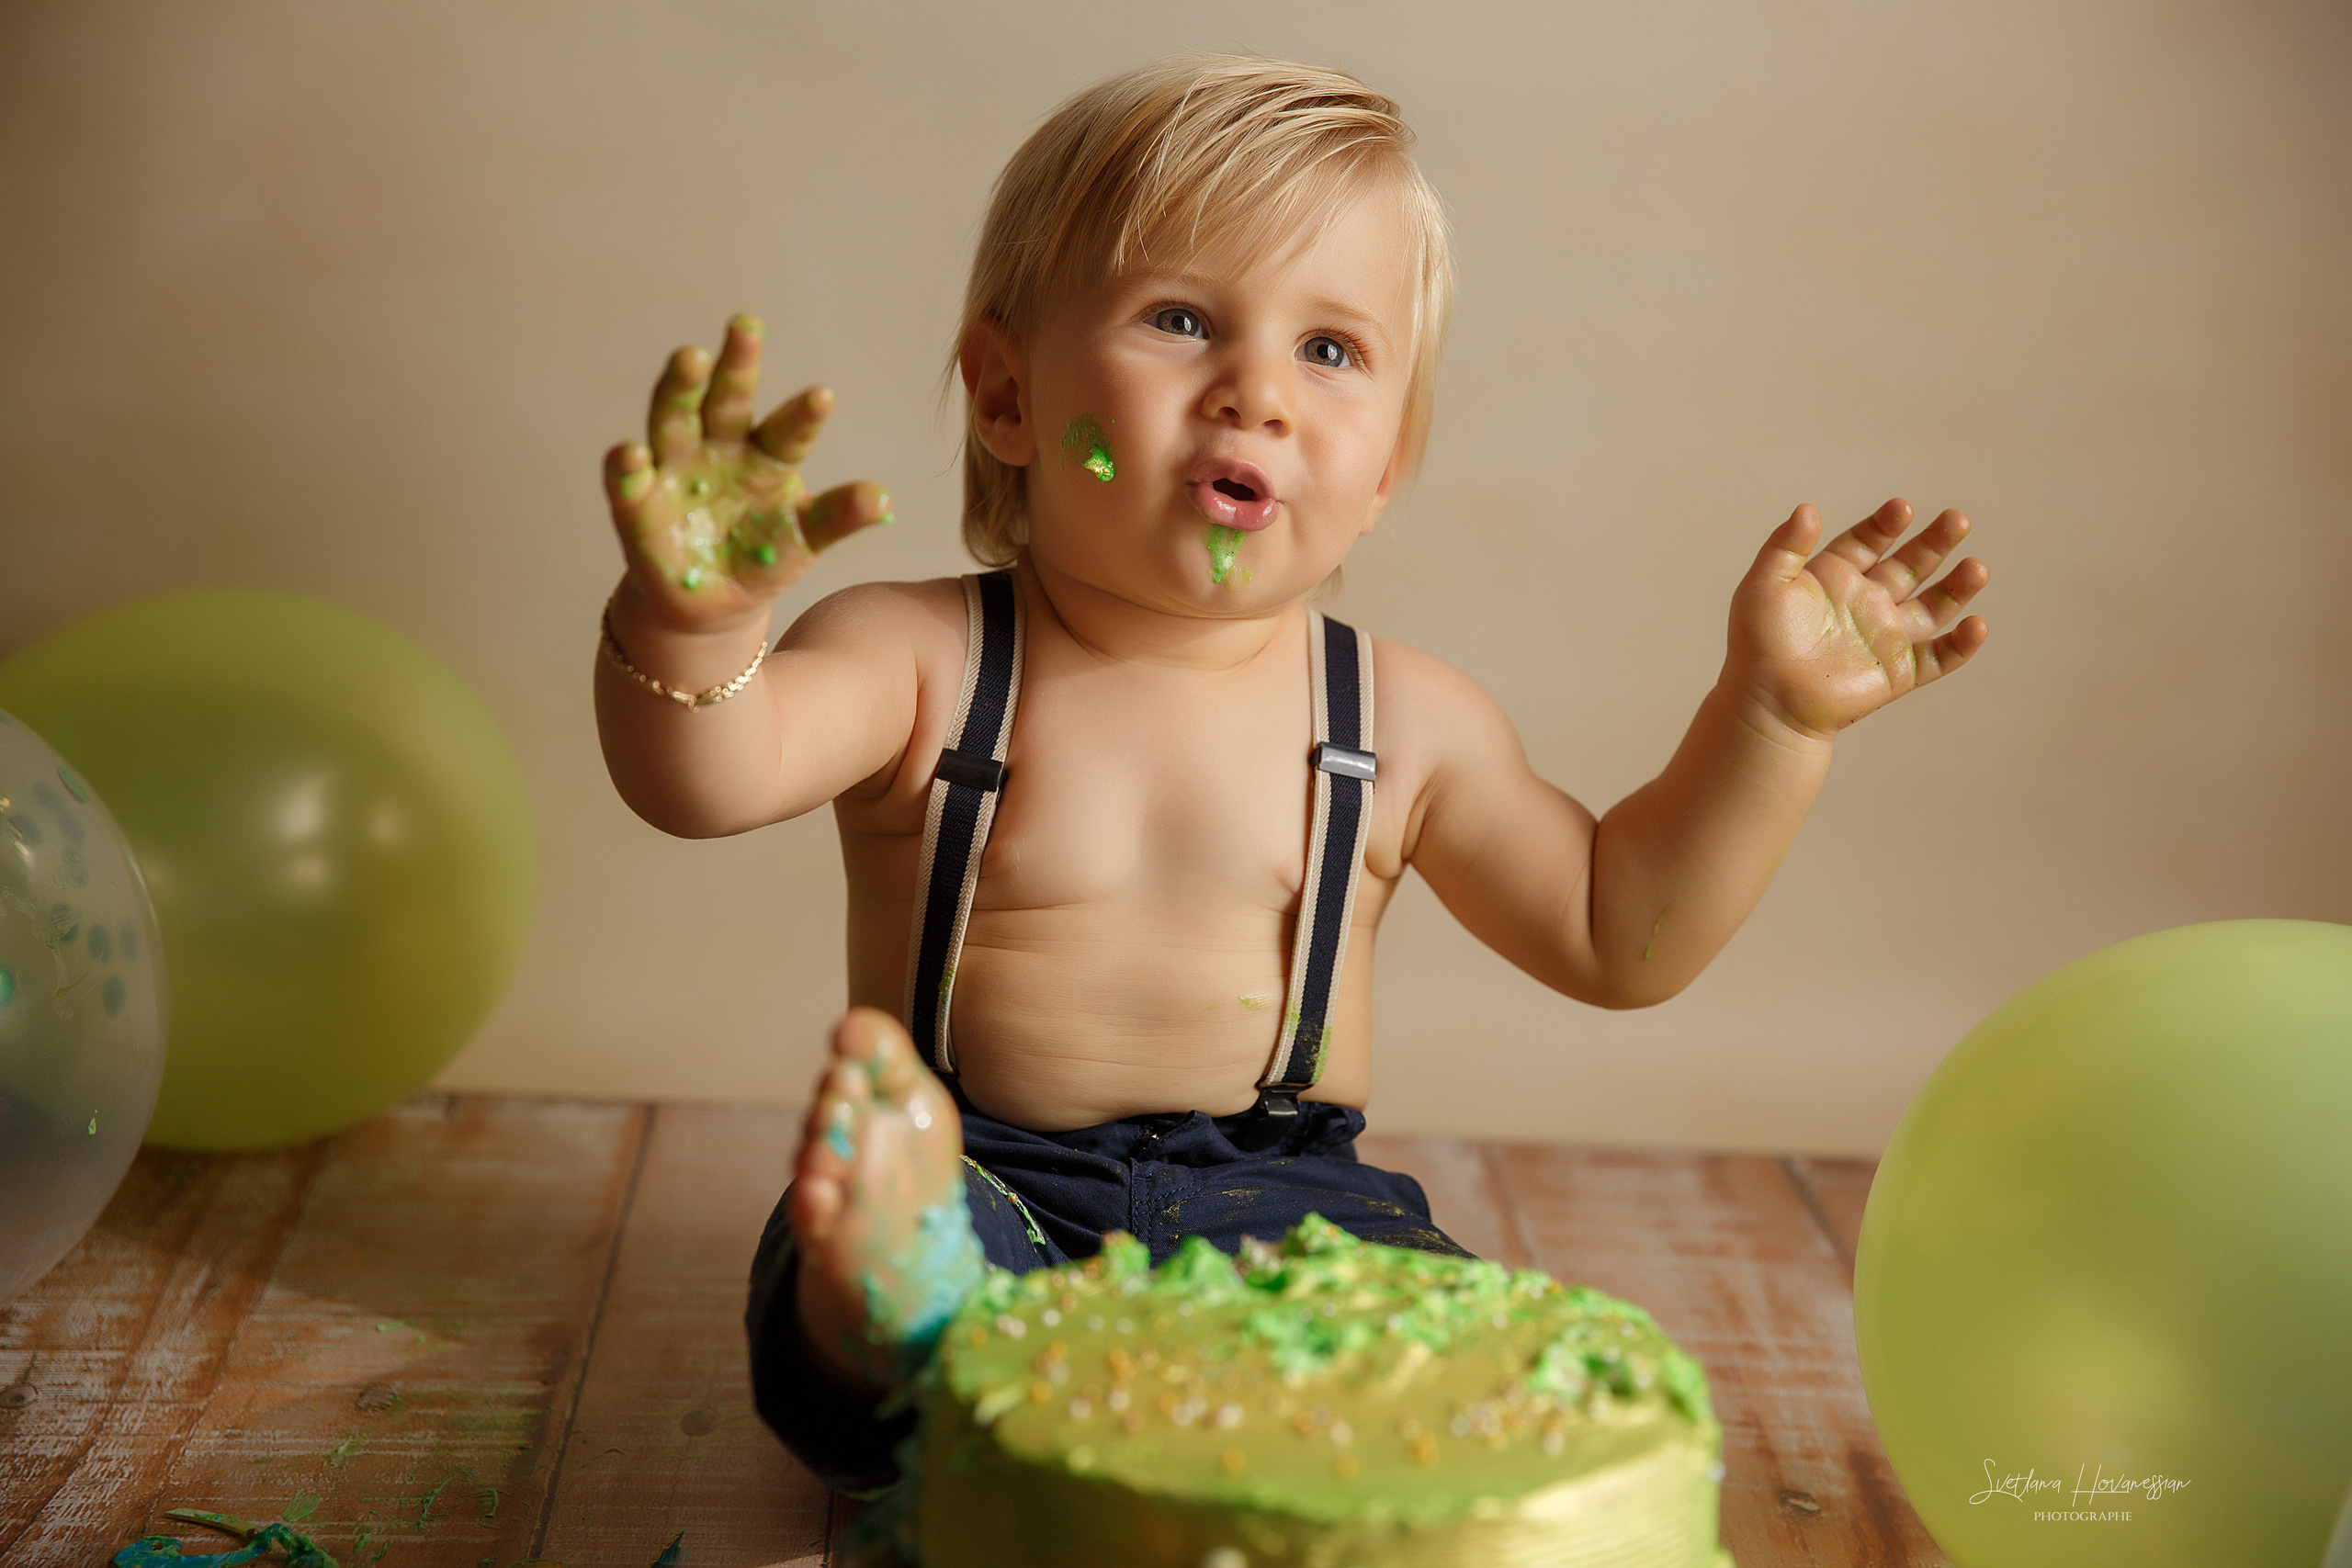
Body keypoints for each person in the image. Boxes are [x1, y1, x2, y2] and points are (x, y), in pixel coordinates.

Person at [590, 55, 1988, 1494]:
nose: (1255, 391)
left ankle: (1247, 1396)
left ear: (1384, 470)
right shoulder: (918, 658)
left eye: (1330, 351)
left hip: (1289, 1200)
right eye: (1181, 321)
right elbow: (706, 775)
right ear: (1008, 396)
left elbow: (1613, 930)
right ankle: (897, 1305)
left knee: (1421, 1329)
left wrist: (1772, 721)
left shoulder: (1403, 722)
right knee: (862, 1331)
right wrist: (690, 623)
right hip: (981, 1173)